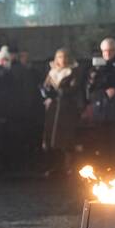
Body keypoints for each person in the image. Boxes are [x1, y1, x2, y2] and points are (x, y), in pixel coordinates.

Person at [41, 48, 83, 177]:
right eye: (59, 57)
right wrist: (47, 93)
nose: (62, 60)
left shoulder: (74, 71)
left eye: (64, 57)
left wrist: (61, 91)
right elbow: (45, 87)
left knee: (66, 138)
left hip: (67, 108)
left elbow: (74, 88)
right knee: (52, 139)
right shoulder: (52, 72)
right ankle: (55, 167)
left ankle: (68, 167)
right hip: (53, 108)